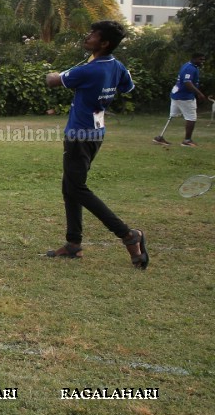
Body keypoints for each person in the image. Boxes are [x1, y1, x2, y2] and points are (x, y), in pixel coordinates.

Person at [45, 21, 146, 269]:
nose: (88, 36)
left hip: (80, 135)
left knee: (77, 188)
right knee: (69, 187)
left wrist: (55, 73)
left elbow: (53, 81)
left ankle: (128, 235)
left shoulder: (88, 71)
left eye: (93, 35)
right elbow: (127, 86)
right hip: (96, 132)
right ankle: (73, 244)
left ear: (104, 43)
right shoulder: (116, 66)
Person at [154, 53, 209, 147]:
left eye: (203, 60)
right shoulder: (190, 68)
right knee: (191, 117)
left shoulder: (187, 65)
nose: (202, 62)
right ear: (194, 59)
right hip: (185, 97)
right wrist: (199, 93)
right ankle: (187, 140)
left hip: (176, 94)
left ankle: (160, 137)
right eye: (200, 60)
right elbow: (187, 83)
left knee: (172, 116)